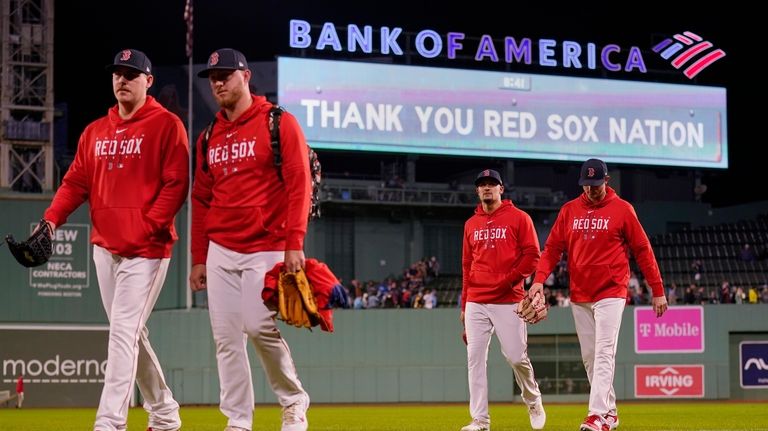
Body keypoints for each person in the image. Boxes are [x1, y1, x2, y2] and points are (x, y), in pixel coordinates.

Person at [41, 49, 187, 431]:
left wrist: (150, 225)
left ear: (148, 81)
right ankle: (166, 412)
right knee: (130, 333)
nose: (122, 79)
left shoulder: (166, 125)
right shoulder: (95, 131)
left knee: (122, 332)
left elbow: (176, 183)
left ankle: (109, 423)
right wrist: (51, 220)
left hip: (148, 249)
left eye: (131, 74)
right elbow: (74, 183)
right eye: (117, 74)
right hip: (105, 248)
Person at [189, 48, 311, 431]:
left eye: (225, 74)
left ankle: (293, 400)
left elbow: (299, 184)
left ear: (245, 75)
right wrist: (198, 256)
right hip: (221, 250)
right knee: (226, 339)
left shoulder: (279, 122)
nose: (218, 82)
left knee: (259, 326)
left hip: (268, 244)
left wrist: (295, 243)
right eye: (212, 77)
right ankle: (238, 420)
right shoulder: (208, 136)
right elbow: (201, 199)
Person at [529, 159, 667, 431]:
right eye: (586, 185)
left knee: (604, 352)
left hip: (611, 290)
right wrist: (538, 281)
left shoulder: (623, 210)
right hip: (580, 293)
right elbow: (553, 248)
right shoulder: (570, 210)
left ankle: (596, 415)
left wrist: (658, 290)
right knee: (591, 357)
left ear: (606, 181)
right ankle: (611, 412)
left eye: (595, 184)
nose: (591, 190)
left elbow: (643, 250)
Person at [459, 169, 546, 431]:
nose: (487, 188)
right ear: (477, 191)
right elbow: (466, 266)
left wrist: (508, 279)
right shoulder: (470, 224)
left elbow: (533, 256)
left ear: (501, 189)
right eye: (482, 185)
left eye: (492, 184)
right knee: (474, 359)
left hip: (509, 299)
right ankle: (480, 421)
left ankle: (532, 400)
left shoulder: (519, 218)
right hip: (476, 300)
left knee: (516, 357)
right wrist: (464, 305)